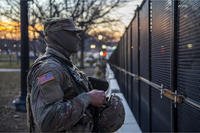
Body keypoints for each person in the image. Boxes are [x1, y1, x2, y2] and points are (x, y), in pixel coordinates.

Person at [27, 17, 124, 132]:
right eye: (73, 34)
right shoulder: (49, 69)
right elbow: (48, 120)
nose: (78, 38)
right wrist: (88, 98)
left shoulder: (64, 64)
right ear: (60, 37)